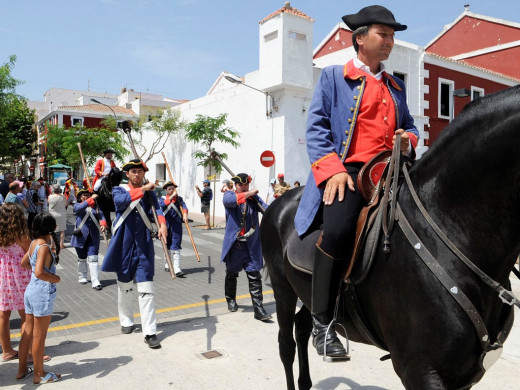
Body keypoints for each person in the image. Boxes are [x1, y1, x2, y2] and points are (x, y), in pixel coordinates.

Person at [294, 5, 419, 359]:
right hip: (348, 173)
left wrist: (408, 139)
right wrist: (332, 169)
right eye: (384, 33)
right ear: (360, 38)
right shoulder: (334, 77)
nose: (390, 41)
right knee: (337, 230)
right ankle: (323, 323)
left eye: (393, 35)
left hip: (392, 172)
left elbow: (410, 127)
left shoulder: (396, 85)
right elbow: (316, 129)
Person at [101, 159, 167, 349]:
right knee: (125, 287)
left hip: (144, 246)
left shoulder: (149, 192)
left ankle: (150, 332)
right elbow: (121, 203)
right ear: (127, 174)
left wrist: (162, 224)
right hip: (123, 246)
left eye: (140, 171)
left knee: (147, 290)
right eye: (133, 172)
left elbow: (158, 207)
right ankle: (127, 320)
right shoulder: (118, 190)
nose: (137, 174)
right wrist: (144, 190)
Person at [221, 173, 272, 322]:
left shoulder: (253, 199)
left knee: (255, 276)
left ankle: (259, 308)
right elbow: (231, 201)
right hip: (235, 245)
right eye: (241, 185)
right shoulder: (229, 195)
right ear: (235, 185)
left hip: (251, 245)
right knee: (231, 273)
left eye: (246, 185)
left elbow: (266, 209)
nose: (244, 187)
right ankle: (230, 299)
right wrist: (248, 194)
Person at [19, 213, 61, 384]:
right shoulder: (43, 246)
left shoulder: (33, 244)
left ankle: (22, 370)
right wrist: (55, 278)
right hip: (42, 293)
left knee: (28, 333)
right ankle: (39, 374)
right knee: (39, 335)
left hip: (31, 290)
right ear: (52, 229)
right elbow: (39, 272)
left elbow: (24, 263)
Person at [0, 204, 31, 364]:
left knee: (3, 314)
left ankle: (6, 350)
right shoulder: (21, 235)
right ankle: (29, 353)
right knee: (26, 315)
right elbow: (31, 253)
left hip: (2, 275)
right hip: (20, 276)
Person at [70, 188, 107, 290]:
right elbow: (79, 209)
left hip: (93, 237)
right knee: (82, 258)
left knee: (93, 259)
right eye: (83, 195)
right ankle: (82, 276)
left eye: (87, 195)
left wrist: (103, 224)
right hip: (80, 236)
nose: (86, 197)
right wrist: (90, 200)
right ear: (80, 197)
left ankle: (96, 281)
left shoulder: (96, 207)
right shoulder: (77, 205)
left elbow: (102, 217)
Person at [159, 181, 188, 277]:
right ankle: (167, 263)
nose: (171, 190)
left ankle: (176, 268)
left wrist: (185, 214)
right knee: (166, 245)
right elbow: (162, 206)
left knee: (176, 245)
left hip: (176, 225)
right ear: (166, 190)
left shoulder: (179, 199)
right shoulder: (162, 199)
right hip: (166, 225)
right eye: (169, 189)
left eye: (173, 188)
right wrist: (171, 197)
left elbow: (184, 206)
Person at [48, 184, 67, 249]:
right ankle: (61, 244)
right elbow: (66, 204)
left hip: (52, 214)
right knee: (62, 230)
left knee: (52, 230)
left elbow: (48, 203)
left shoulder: (50, 197)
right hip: (61, 214)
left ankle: (52, 245)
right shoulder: (62, 197)